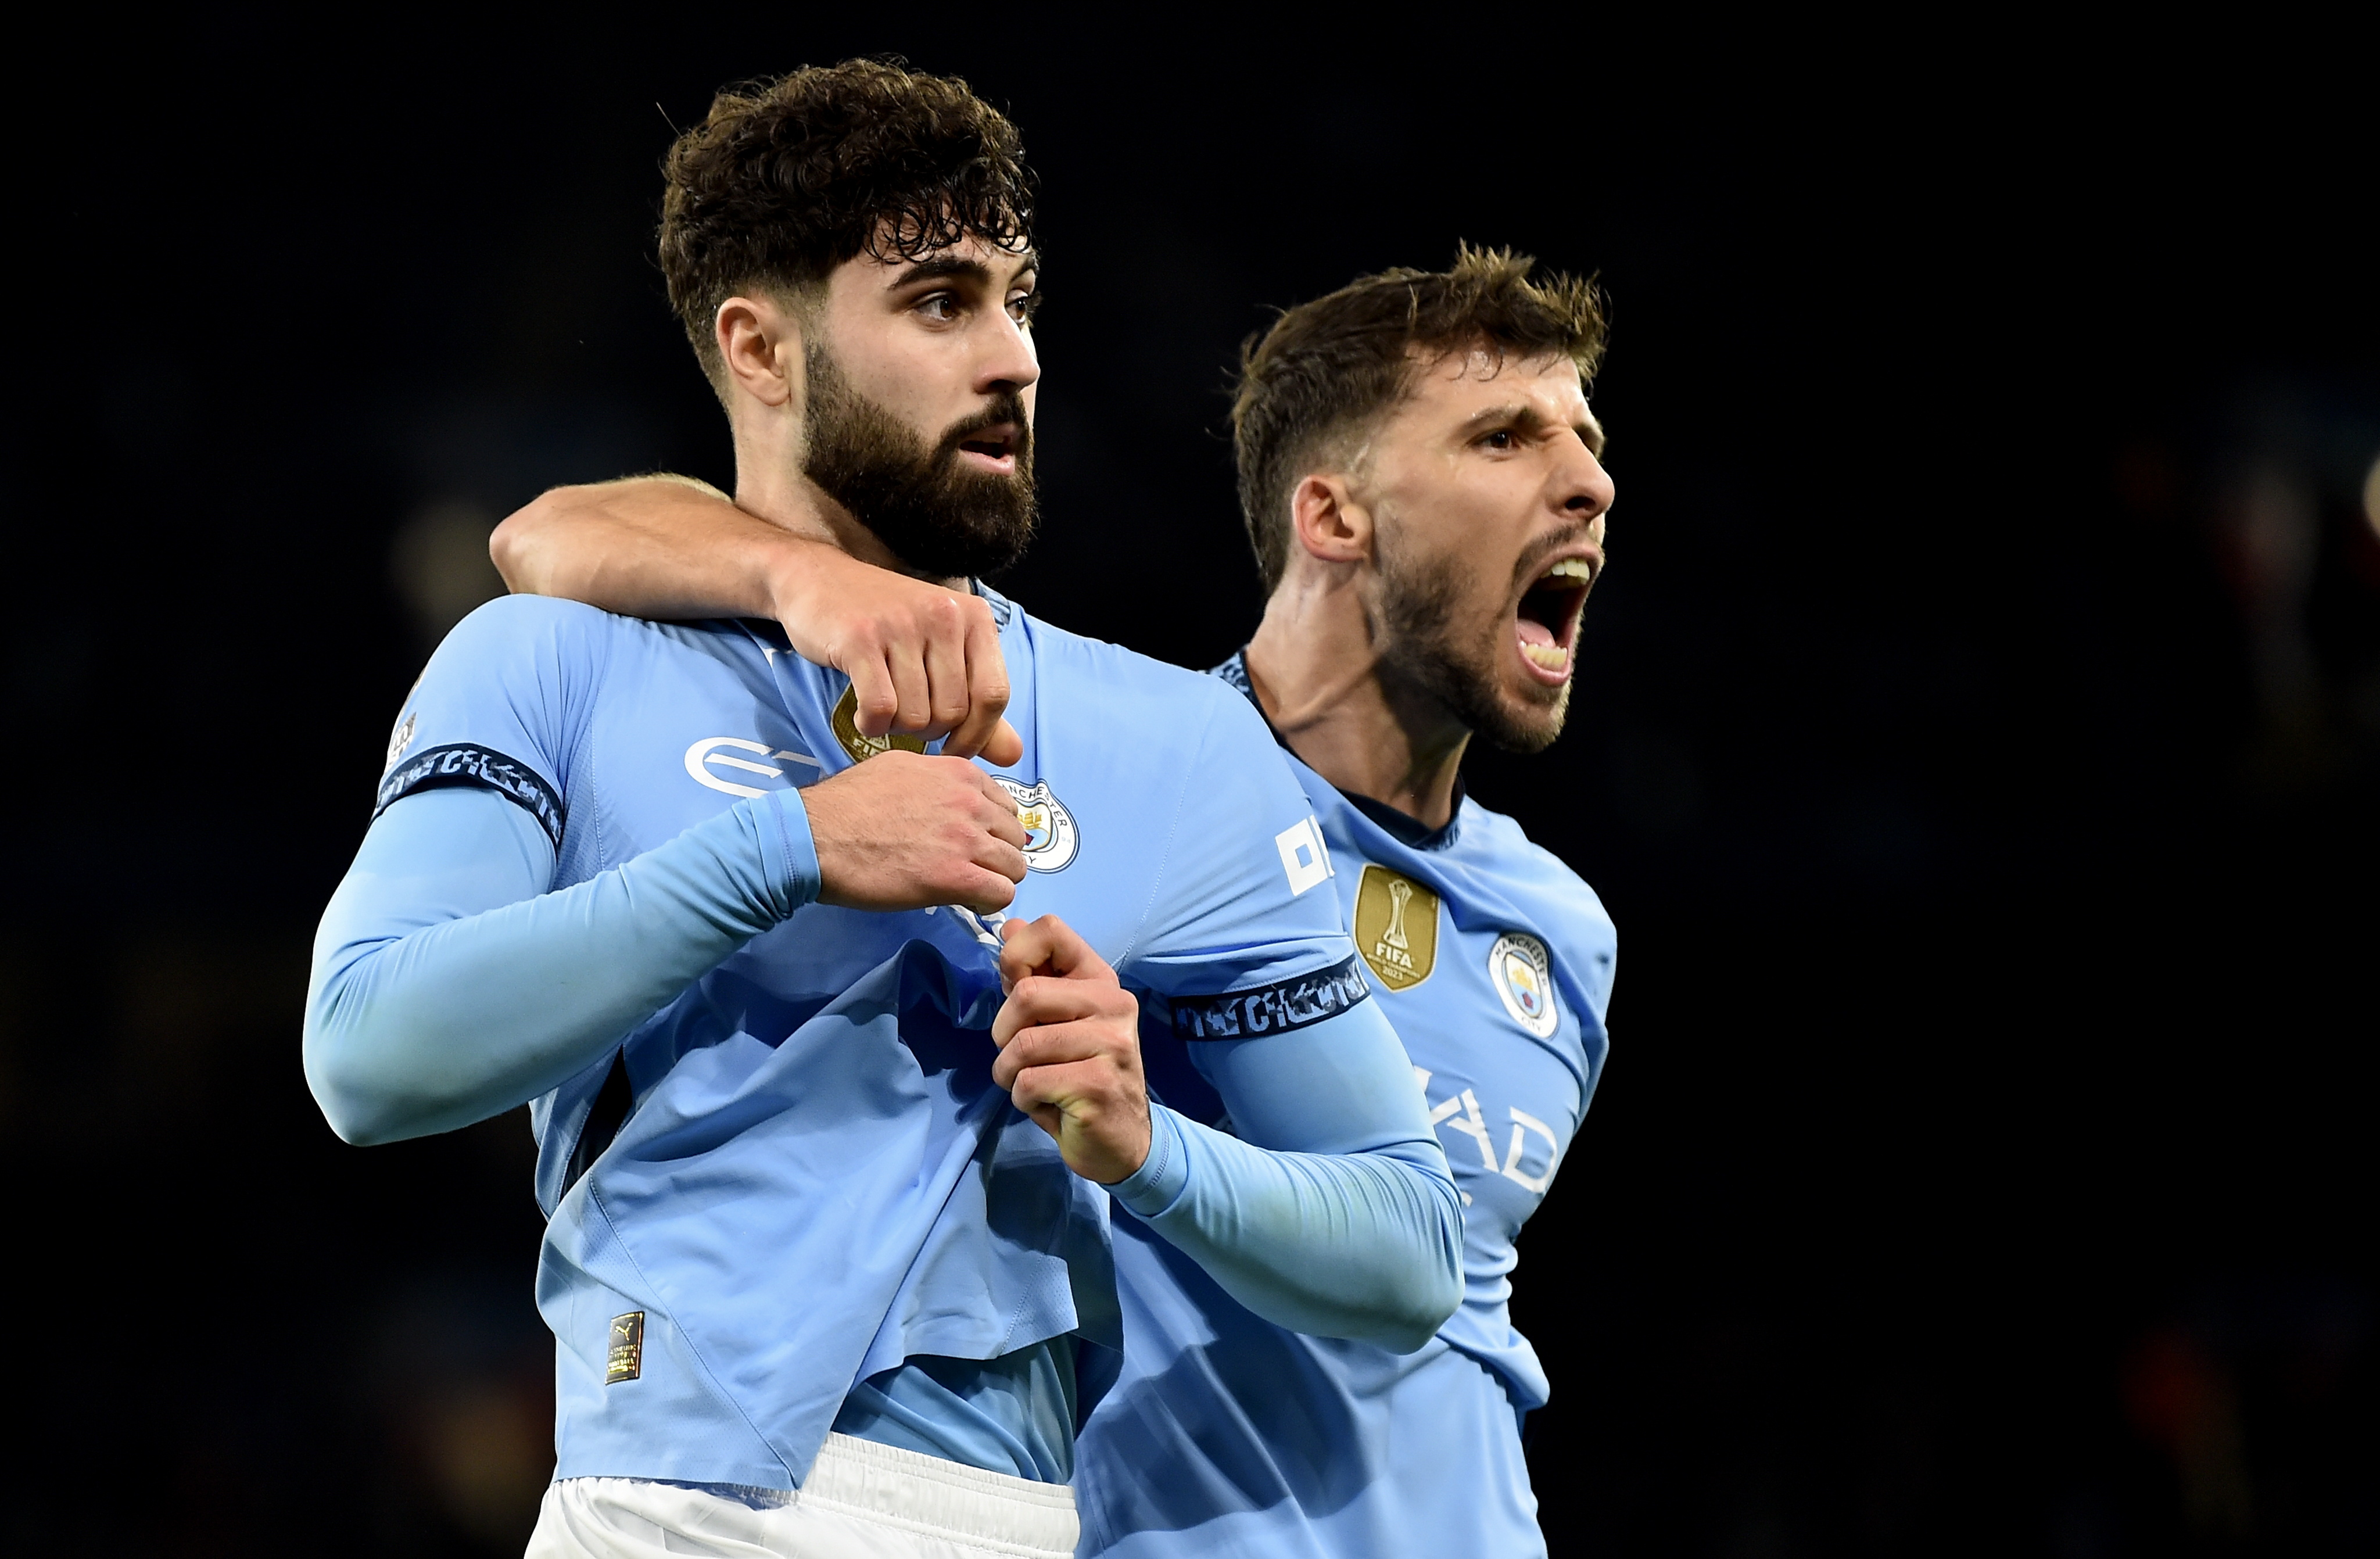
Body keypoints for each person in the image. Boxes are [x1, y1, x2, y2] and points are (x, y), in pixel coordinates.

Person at [304, 61, 1461, 1559]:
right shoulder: (552, 658)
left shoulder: (1179, 743)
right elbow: (367, 1052)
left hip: (1015, 1517)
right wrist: (788, 849)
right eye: (938, 302)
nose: (1014, 359)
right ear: (759, 348)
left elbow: (1408, 1249)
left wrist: (1147, 1147)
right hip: (670, 1511)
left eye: (1019, 299)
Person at [496, 247, 1618, 1556]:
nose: (1589, 483)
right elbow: (549, 532)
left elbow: (1445, 1298)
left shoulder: (1559, 928)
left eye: (1585, 439)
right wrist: (810, 583)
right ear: (1332, 515)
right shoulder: (1109, 777)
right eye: (1504, 436)